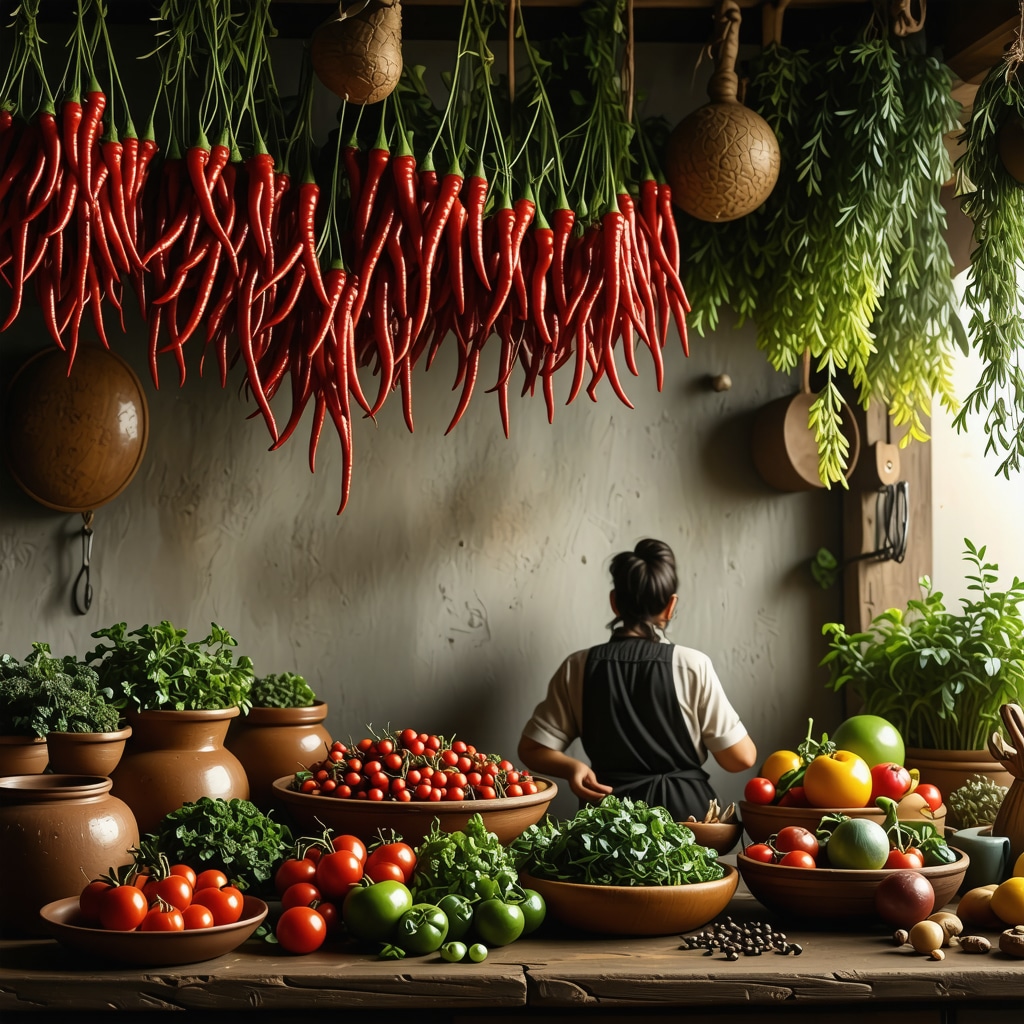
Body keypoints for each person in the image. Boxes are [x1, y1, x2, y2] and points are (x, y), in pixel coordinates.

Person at [518, 538, 756, 821]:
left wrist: (573, 769)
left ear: (615, 602)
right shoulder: (693, 665)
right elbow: (741, 759)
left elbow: (531, 749)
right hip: (689, 825)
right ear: (670, 606)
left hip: (607, 829)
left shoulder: (578, 666)